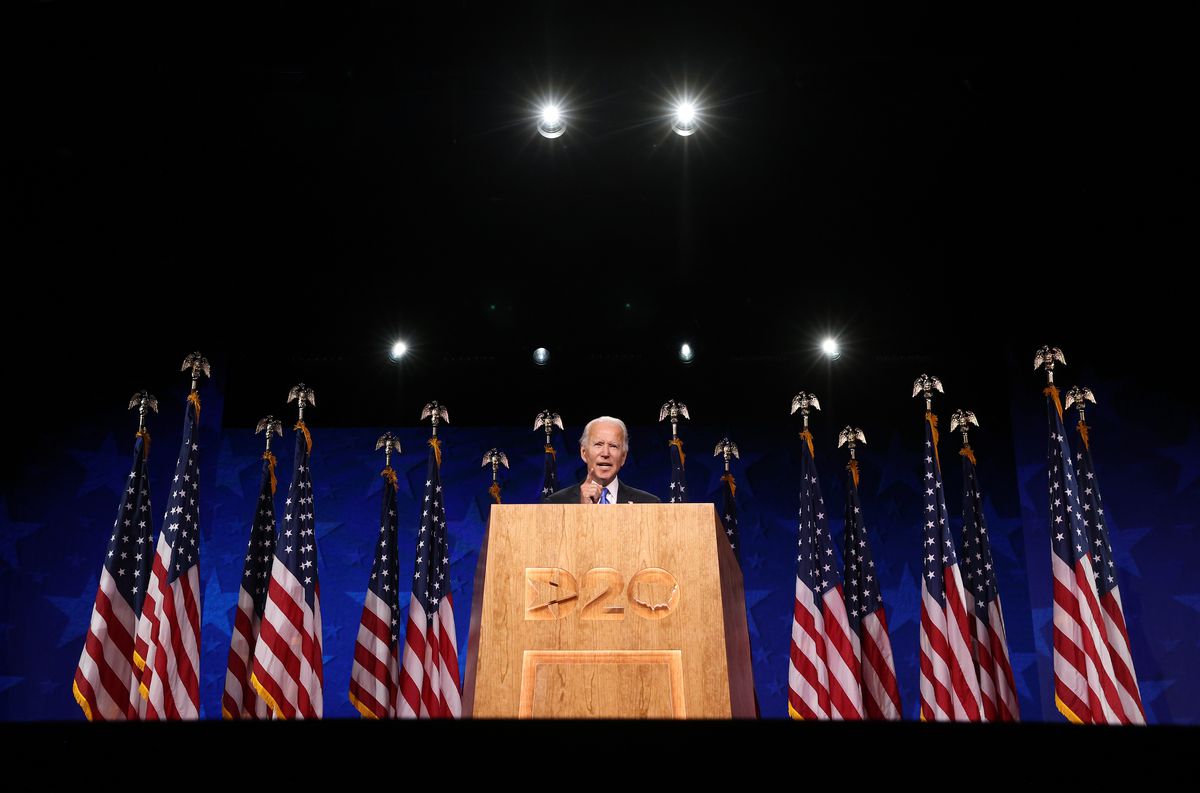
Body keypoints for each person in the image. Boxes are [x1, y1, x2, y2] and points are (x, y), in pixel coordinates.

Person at [542, 416, 660, 504]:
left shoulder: (649, 503)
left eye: (613, 446)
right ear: (584, 453)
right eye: (598, 444)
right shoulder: (556, 503)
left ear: (623, 457)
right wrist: (581, 511)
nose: (605, 453)